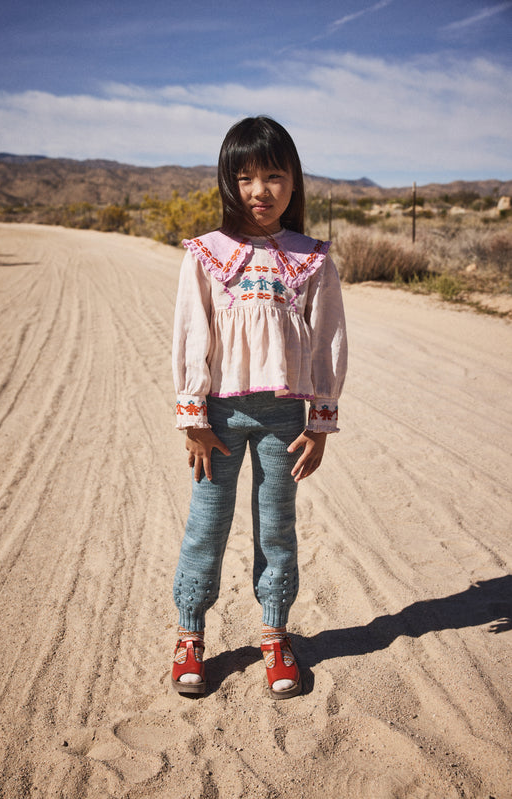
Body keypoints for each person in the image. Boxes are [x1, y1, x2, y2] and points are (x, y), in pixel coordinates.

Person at [171, 116, 348, 699]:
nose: (260, 190)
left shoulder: (312, 258)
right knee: (206, 526)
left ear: (295, 181)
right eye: (245, 177)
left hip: (282, 419)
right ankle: (190, 635)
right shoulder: (206, 253)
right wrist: (193, 418)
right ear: (228, 183)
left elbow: (327, 342)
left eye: (275, 175)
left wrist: (320, 423)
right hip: (217, 420)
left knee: (277, 530)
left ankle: (274, 635)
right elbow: (192, 335)